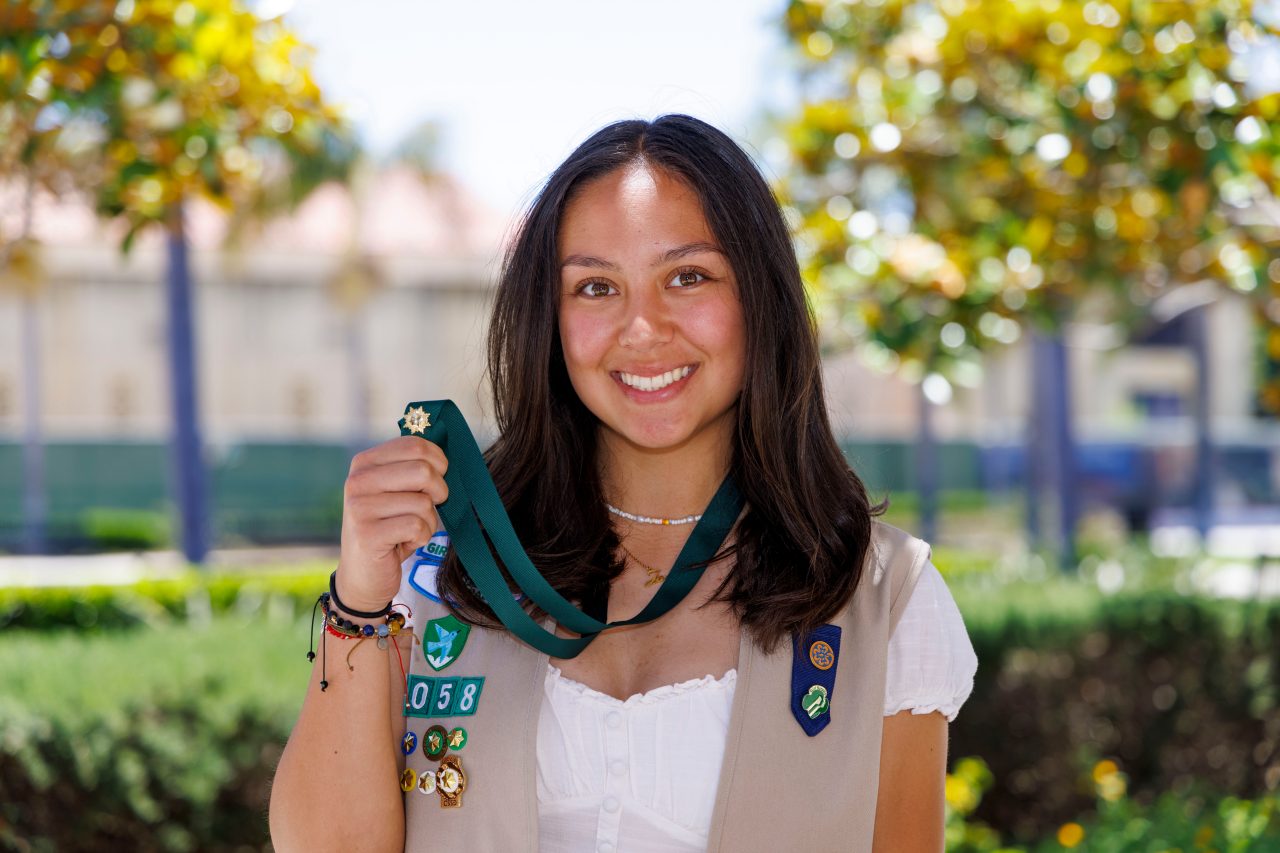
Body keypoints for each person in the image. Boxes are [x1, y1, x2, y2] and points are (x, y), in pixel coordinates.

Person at [269, 114, 978, 852]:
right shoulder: (443, 571)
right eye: (596, 286)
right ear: (550, 318)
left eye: (688, 276)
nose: (642, 326)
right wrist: (358, 597)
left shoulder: (885, 598)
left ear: (760, 299)